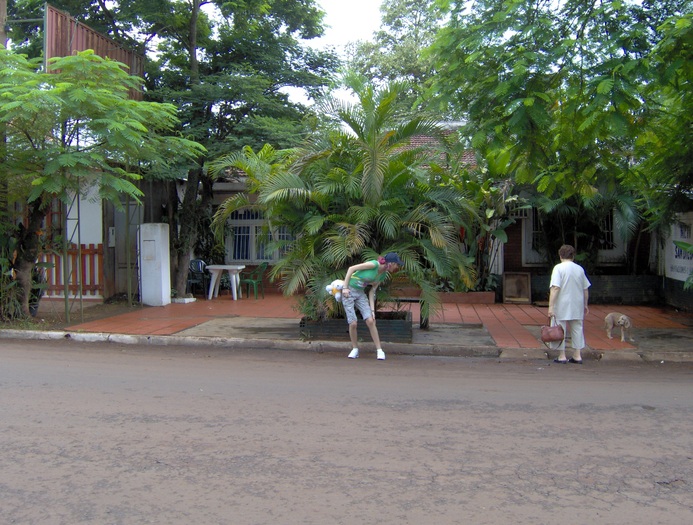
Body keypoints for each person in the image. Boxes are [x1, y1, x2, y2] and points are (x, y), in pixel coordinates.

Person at [341, 252, 404, 360]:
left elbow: (371, 291)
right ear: (391, 263)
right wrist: (345, 287)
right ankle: (355, 348)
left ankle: (379, 350)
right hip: (349, 291)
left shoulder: (383, 275)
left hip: (360, 293)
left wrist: (373, 311)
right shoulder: (373, 264)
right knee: (353, 323)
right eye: (396, 264)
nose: (397, 267)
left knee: (370, 320)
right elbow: (351, 269)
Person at [548, 244, 591, 364]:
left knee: (559, 328)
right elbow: (585, 288)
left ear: (560, 255)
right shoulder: (579, 269)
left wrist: (551, 306)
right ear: (573, 256)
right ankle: (577, 355)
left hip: (562, 303)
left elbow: (555, 288)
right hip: (577, 303)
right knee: (577, 328)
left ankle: (562, 355)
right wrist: (585, 304)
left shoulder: (558, 268)